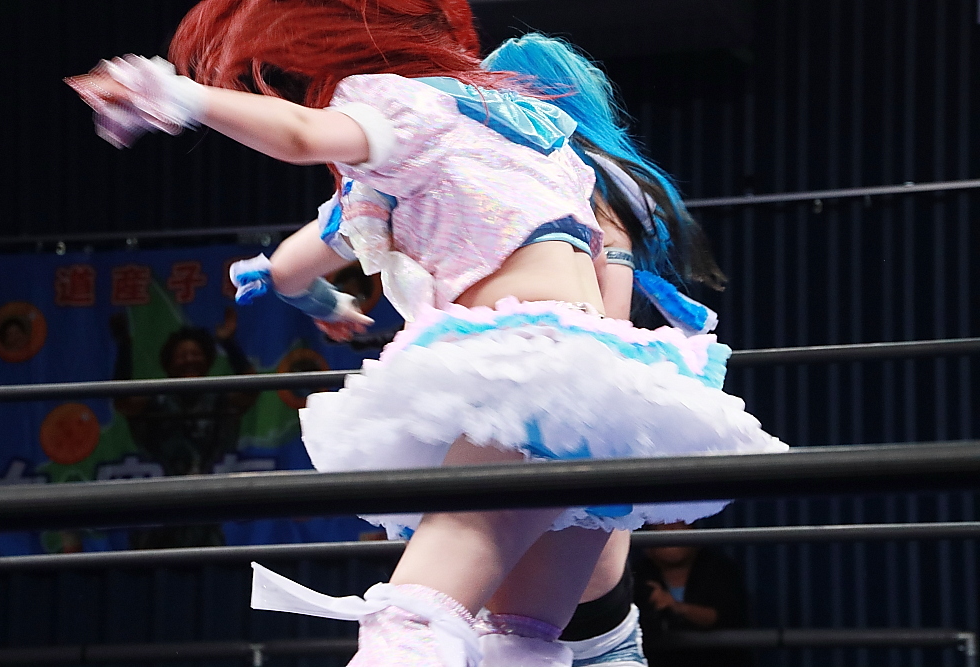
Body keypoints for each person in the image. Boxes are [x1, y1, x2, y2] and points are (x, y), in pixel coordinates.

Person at [68, 2, 785, 665]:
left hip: (523, 375)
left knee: (415, 619)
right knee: (521, 642)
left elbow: (300, 141)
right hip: (604, 390)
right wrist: (326, 299)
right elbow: (300, 262)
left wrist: (173, 95)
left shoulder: (402, 106)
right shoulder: (539, 133)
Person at [482, 34, 731, 667]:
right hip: (545, 402)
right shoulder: (563, 182)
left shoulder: (575, 184)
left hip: (548, 397)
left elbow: (605, 322)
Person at [110, 309, 257, 548]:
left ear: (207, 361)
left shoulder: (218, 399)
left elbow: (250, 392)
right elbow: (123, 402)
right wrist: (124, 345)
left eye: (195, 354)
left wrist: (229, 344)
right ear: (169, 364)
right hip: (164, 502)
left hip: (207, 502)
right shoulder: (157, 400)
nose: (189, 360)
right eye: (182, 355)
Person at [632, 522, 752, 667]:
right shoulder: (637, 575)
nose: (670, 531)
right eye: (662, 526)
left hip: (716, 659)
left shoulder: (719, 569)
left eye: (679, 525)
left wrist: (675, 606)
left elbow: (726, 618)